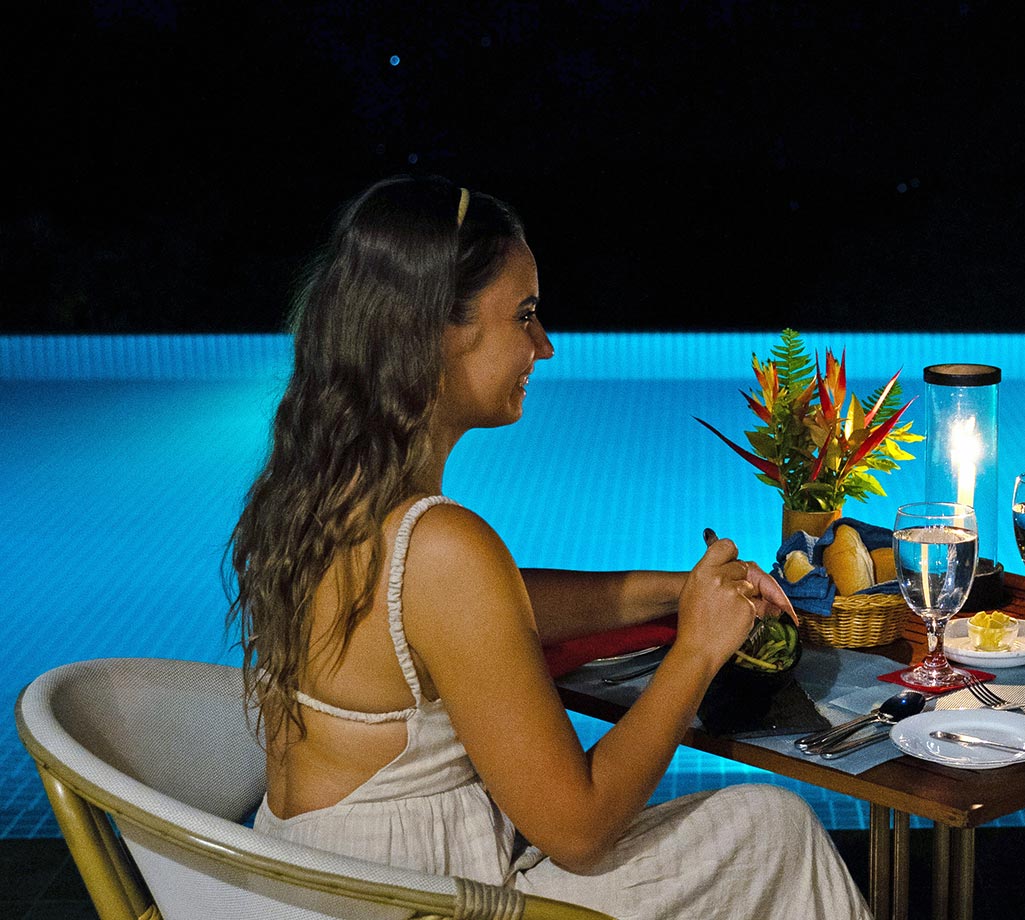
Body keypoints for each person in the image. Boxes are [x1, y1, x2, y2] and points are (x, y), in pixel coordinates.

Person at [227, 175, 869, 919]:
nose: (545, 345)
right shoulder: (441, 547)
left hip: (315, 887)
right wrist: (697, 649)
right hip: (412, 902)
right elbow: (581, 830)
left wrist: (675, 590)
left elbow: (474, 612)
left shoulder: (318, 492)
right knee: (772, 832)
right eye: (524, 316)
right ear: (437, 328)